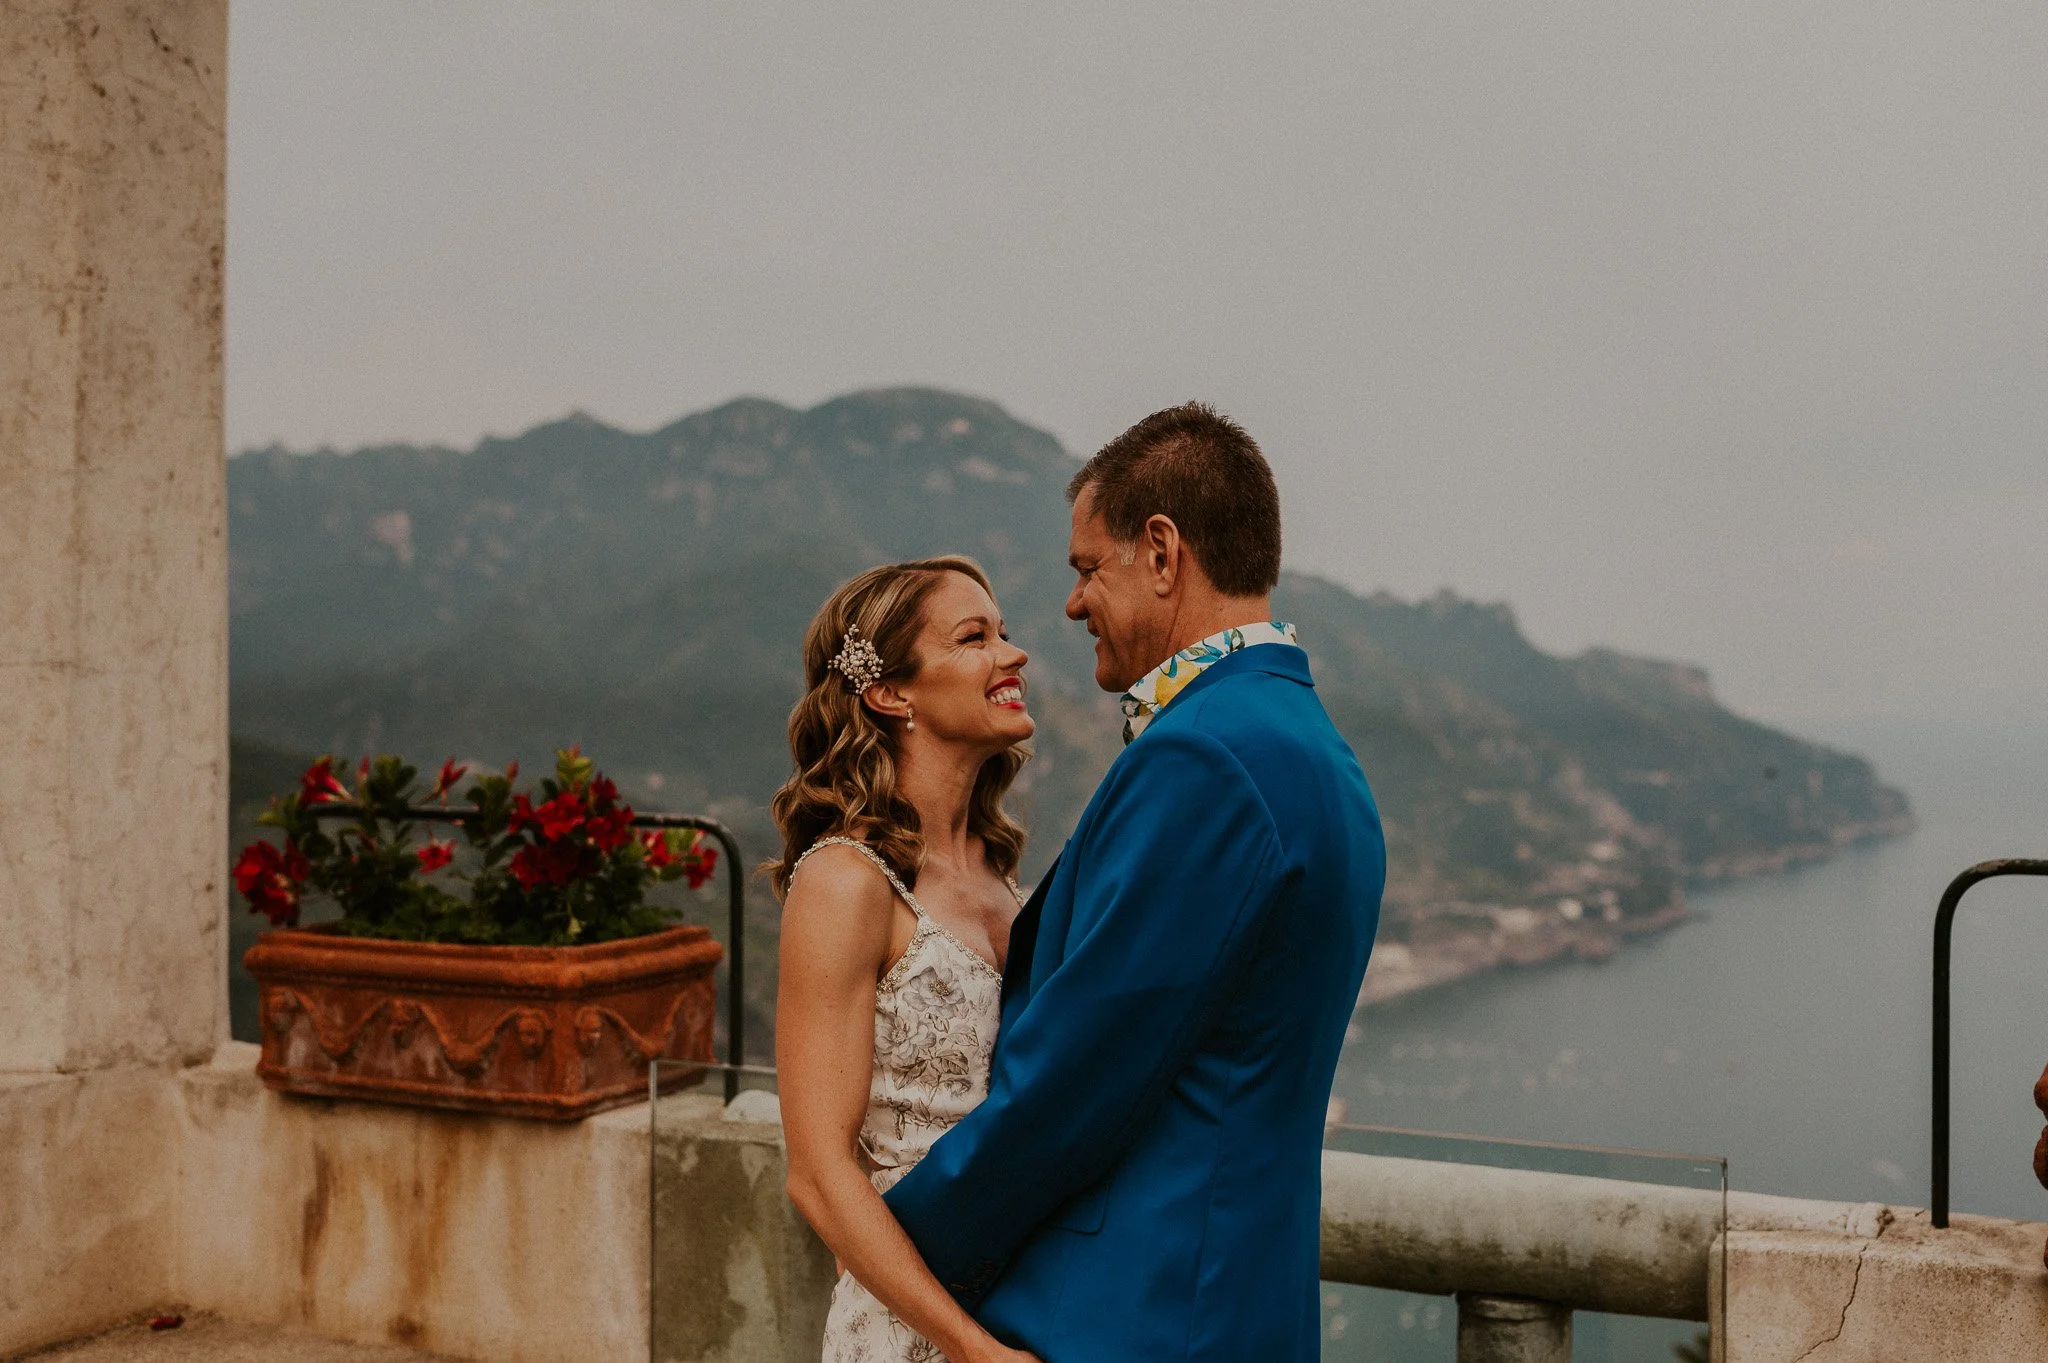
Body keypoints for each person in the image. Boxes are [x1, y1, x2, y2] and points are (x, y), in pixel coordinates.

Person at [881, 403, 1386, 1361]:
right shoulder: (1318, 753)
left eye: (1085, 568)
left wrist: (904, 1245)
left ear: (1161, 551)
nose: (1070, 606)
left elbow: (1083, 1069)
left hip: (1139, 1314)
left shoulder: (1207, 759)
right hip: (1239, 1300)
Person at [773, 556, 1045, 1363]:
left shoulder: (1001, 878)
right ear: (892, 693)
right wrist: (969, 1346)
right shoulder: (845, 882)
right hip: (915, 1330)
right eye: (975, 638)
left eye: (1005, 632)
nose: (1013, 653)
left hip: (1022, 1303)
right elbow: (818, 1173)